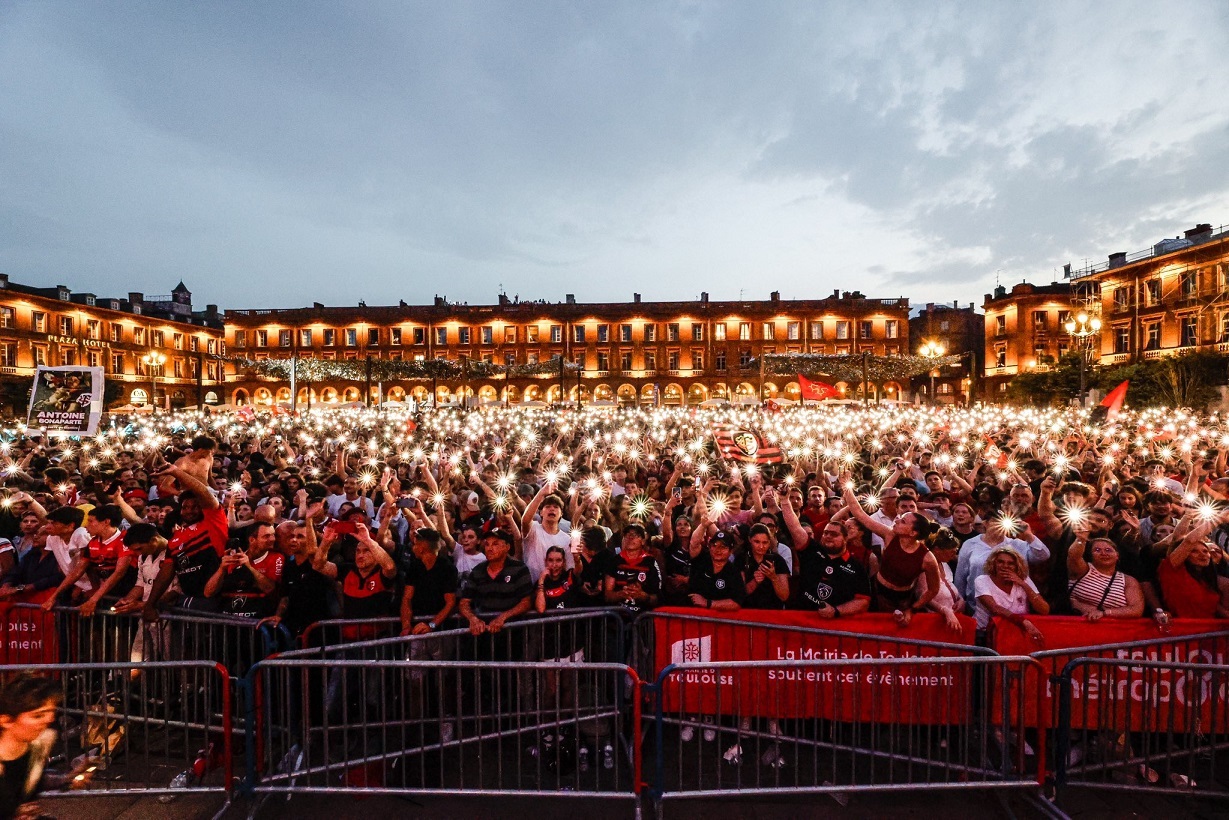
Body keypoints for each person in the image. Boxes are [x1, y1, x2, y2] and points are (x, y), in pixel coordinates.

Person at [841, 479, 941, 625]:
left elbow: (933, 590)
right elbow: (859, 513)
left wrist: (913, 609)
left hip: (903, 600)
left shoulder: (927, 558)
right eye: (899, 518)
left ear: (913, 533)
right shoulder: (889, 535)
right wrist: (847, 486)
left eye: (903, 521)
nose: (896, 520)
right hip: (876, 591)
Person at [782, 497, 870, 617]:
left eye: (834, 534)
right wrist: (785, 501)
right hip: (802, 619)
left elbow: (863, 601)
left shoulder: (856, 567)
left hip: (834, 625)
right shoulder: (812, 550)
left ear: (845, 539)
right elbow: (794, 527)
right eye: (826, 533)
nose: (828, 536)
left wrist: (836, 611)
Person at [0, 675, 65, 820]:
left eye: (51, 712)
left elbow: (30, 778)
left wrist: (68, 779)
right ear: (6, 721)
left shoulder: (39, 744)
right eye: (38, 716)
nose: (49, 719)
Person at [459, 528, 534, 637]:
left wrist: (503, 617)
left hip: (512, 632)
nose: (489, 548)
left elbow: (526, 602)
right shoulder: (477, 571)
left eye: (495, 544)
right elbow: (464, 602)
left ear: (507, 547)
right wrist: (473, 619)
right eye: (487, 544)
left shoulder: (519, 569)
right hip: (483, 632)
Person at [204, 522, 283, 619]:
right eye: (266, 536)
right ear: (252, 540)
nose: (272, 539)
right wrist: (222, 569)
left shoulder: (277, 558)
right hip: (227, 623)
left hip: (256, 624)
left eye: (273, 535)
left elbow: (271, 590)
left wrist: (249, 567)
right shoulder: (233, 558)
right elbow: (208, 593)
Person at [973, 547, 1049, 644]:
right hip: (985, 635)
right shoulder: (982, 580)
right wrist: (1023, 621)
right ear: (994, 563)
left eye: (1010, 563)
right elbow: (995, 608)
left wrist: (1023, 584)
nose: (1005, 566)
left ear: (1017, 566)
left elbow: (1044, 610)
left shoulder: (1024, 580)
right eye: (1000, 562)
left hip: (1016, 632)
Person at [1066, 533, 1144, 621]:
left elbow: (1136, 609)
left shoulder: (1128, 580)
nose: (1103, 553)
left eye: (1108, 550)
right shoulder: (1083, 570)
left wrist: (1104, 613)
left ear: (1117, 555)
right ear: (1091, 555)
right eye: (1097, 550)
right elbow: (1073, 557)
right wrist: (1081, 539)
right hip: (1074, 624)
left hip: (1113, 629)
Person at [1158, 532, 1229, 618]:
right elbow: (1189, 541)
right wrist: (1214, 522)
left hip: (1210, 628)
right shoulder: (1171, 571)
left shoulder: (1207, 581)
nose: (1202, 554)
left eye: (1205, 551)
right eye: (1194, 551)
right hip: (1184, 628)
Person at [688, 530, 745, 611]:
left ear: (731, 551)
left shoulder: (734, 572)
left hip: (718, 621)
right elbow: (694, 543)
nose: (718, 550)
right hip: (691, 616)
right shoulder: (700, 561)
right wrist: (704, 525)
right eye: (714, 545)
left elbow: (736, 603)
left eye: (723, 547)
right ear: (710, 547)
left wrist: (708, 603)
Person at [740, 524, 790, 609]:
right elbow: (739, 595)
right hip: (748, 611)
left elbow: (784, 596)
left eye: (765, 542)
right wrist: (755, 581)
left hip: (772, 611)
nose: (761, 546)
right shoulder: (741, 559)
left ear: (769, 542)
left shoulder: (778, 560)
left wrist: (773, 578)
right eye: (757, 542)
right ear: (749, 539)